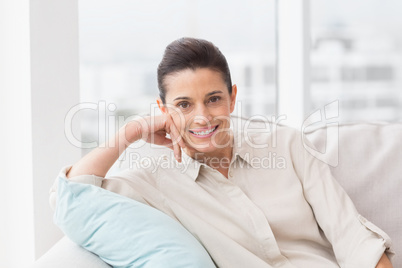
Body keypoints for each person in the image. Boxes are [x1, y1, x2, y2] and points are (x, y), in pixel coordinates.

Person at [50, 37, 394, 267]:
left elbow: (352, 237)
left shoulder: (287, 146)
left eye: (213, 99)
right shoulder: (153, 181)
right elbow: (73, 198)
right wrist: (133, 130)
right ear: (163, 109)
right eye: (184, 104)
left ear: (231, 97)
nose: (202, 117)